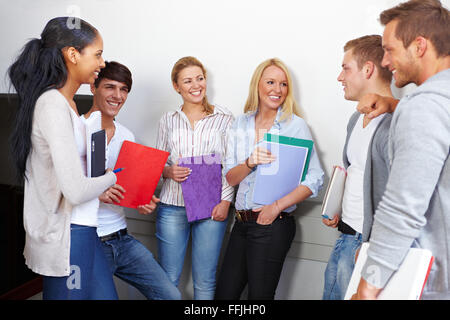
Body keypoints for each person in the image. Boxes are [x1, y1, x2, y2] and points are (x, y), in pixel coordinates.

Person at [8, 17, 118, 299]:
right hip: (69, 234)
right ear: (72, 54)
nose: (102, 63)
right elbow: (75, 189)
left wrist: (98, 183)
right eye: (97, 54)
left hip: (84, 227)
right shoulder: (52, 104)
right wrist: (111, 176)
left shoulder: (68, 105)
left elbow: (74, 179)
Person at [351, 0, 450, 300]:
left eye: (390, 49)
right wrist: (396, 104)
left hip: (429, 285)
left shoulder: (424, 107)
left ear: (419, 46)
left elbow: (403, 209)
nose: (384, 61)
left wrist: (368, 286)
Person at [215, 58, 324, 300]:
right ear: (258, 85)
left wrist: (276, 207)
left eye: (283, 84)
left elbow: (315, 178)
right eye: (271, 82)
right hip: (241, 224)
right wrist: (250, 162)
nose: (277, 90)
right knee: (224, 296)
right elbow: (231, 177)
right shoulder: (240, 123)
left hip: (273, 226)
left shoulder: (295, 126)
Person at [83, 61, 181, 300]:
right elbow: (59, 186)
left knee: (171, 296)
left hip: (122, 238)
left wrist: (140, 199)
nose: (118, 96)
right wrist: (96, 190)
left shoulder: (127, 136)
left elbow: (126, 188)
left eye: (124, 89)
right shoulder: (76, 130)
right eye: (110, 87)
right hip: (89, 242)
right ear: (93, 87)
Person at [155, 56, 235, 300]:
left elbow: (230, 164)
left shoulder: (224, 118)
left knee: (205, 281)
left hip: (211, 206)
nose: (195, 85)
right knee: (168, 278)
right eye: (187, 81)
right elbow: (159, 162)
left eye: (199, 78)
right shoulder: (167, 120)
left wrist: (225, 201)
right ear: (176, 86)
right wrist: (168, 171)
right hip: (172, 205)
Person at [321, 35, 393, 300]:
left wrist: (373, 249)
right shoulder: (355, 119)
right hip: (345, 239)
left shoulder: (395, 124)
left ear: (368, 69)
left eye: (346, 68)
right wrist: (336, 208)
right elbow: (355, 173)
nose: (340, 77)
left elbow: (400, 198)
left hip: (366, 248)